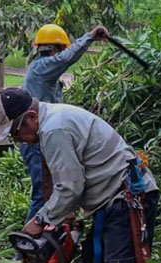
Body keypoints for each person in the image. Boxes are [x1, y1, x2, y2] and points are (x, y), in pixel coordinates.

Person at [0, 88, 158, 263]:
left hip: (126, 197)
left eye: (16, 133)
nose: (19, 140)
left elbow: (70, 187)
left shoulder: (54, 129)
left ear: (31, 116)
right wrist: (63, 214)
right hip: (110, 198)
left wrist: (40, 220)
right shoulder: (51, 119)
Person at [18, 24, 109, 229]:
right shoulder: (42, 67)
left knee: (52, 192)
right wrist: (90, 36)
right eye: (60, 49)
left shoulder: (41, 70)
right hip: (35, 141)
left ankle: (50, 242)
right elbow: (66, 59)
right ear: (53, 49)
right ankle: (27, 246)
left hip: (42, 139)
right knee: (43, 195)